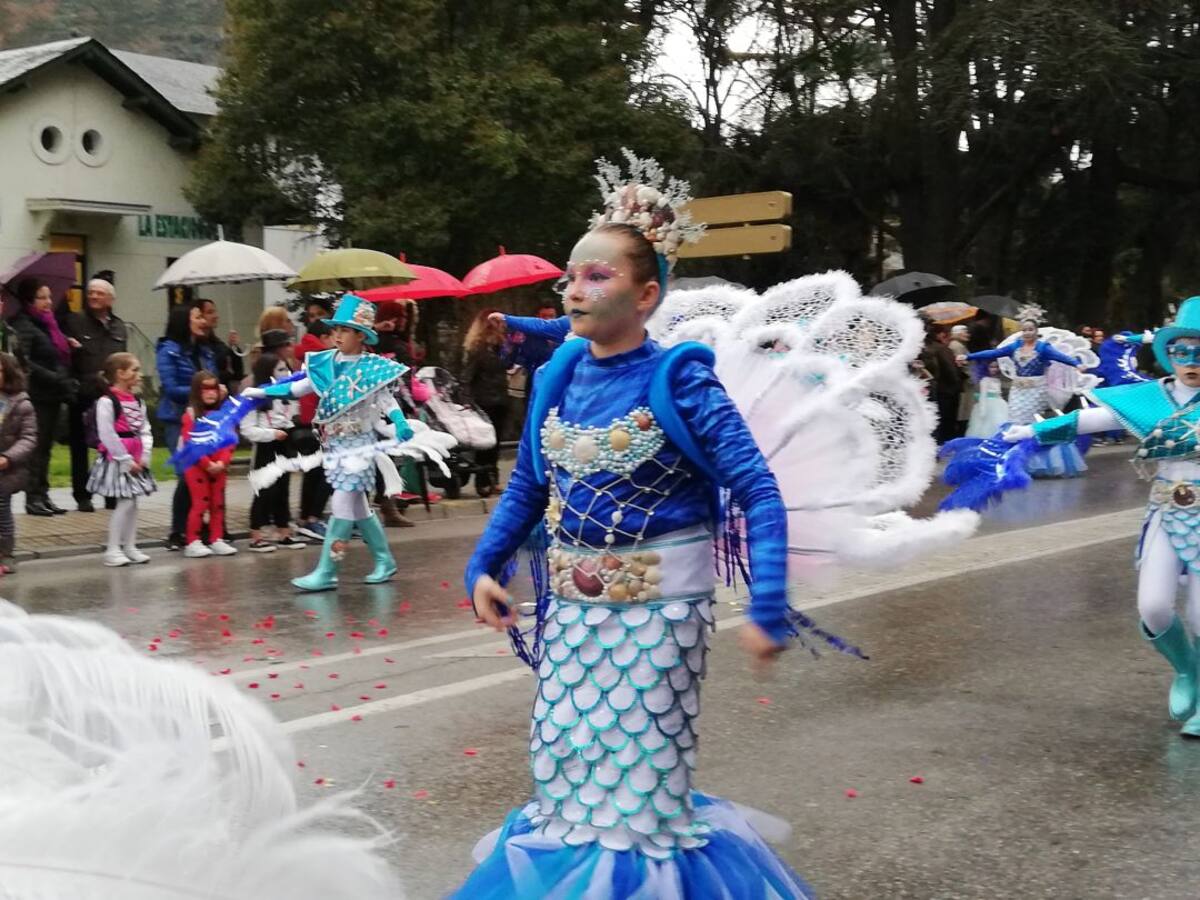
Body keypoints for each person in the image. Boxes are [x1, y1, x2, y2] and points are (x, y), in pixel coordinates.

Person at [454, 154, 815, 898]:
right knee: (567, 776)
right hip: (574, 616)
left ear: (647, 295)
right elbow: (529, 482)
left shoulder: (680, 376)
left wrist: (768, 604)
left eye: (596, 276)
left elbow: (758, 491)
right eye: (569, 277)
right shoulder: (557, 374)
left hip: (660, 616)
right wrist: (484, 565)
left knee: (639, 805)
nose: (574, 289)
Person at [979, 297, 1200, 738]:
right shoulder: (1152, 398)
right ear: (1169, 353)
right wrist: (1026, 431)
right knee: (1154, 608)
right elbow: (1092, 419)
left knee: (1199, 614)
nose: (1190, 361)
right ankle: (1188, 671)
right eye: (1182, 351)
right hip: (1165, 511)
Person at [243, 295, 429, 591]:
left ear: (361, 335)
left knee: (342, 503)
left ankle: (327, 570)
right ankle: (384, 560)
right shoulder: (326, 363)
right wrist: (262, 392)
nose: (337, 335)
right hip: (335, 444)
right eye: (335, 329)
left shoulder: (371, 367)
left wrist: (402, 423)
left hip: (359, 445)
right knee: (358, 510)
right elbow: (298, 388)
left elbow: (384, 398)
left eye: (345, 330)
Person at [966, 310, 1087, 477]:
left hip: (1036, 391)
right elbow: (993, 353)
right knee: (1014, 422)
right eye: (1024, 330)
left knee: (1029, 424)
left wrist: (1076, 363)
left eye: (1030, 329)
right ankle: (1013, 461)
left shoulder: (1044, 348)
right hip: (1017, 391)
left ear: (1036, 331)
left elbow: (1061, 357)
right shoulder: (1015, 346)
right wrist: (969, 356)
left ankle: (1033, 463)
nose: (1027, 333)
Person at [11, 278, 78, 516]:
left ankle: (43, 494)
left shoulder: (48, 324)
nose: (48, 302)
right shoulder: (24, 325)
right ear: (29, 299)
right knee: (36, 448)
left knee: (46, 448)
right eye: (42, 297)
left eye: (49, 297)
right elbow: (23, 361)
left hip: (52, 395)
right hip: (37, 394)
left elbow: (52, 355)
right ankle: (33, 498)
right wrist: (53, 376)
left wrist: (66, 345)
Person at [157, 304, 218, 550]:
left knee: (206, 474)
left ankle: (203, 528)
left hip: (206, 419)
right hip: (178, 418)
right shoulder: (168, 351)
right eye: (197, 317)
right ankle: (178, 530)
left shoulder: (205, 351)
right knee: (187, 474)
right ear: (184, 321)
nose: (203, 321)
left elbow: (212, 379)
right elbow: (170, 387)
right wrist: (202, 392)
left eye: (203, 316)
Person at [64, 278, 127, 513]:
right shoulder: (75, 322)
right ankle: (83, 495)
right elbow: (65, 358)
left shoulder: (119, 326)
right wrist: (72, 386)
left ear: (110, 299)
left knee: (111, 445)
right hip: (83, 393)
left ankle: (111, 493)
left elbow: (124, 360)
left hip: (111, 396)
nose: (93, 297)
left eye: (99, 293)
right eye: (90, 293)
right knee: (79, 447)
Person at [240, 330, 305, 553]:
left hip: (284, 442)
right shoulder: (255, 397)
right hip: (267, 445)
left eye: (286, 369)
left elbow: (293, 414)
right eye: (279, 370)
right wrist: (270, 433)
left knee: (284, 488)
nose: (285, 373)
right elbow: (247, 429)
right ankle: (256, 534)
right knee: (265, 489)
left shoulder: (288, 395)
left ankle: (283, 531)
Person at [88, 352, 155, 568]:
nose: (139, 374)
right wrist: (126, 460)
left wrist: (144, 455)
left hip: (136, 458)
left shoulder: (138, 401)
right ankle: (112, 549)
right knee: (125, 502)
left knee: (133, 502)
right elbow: (107, 434)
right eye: (134, 370)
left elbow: (145, 429)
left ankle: (130, 546)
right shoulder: (107, 402)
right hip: (119, 458)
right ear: (120, 373)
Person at [179, 371, 237, 559]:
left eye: (213, 388)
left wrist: (222, 462)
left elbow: (229, 442)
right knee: (200, 503)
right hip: (196, 466)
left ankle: (216, 538)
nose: (211, 393)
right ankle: (192, 541)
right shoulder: (190, 415)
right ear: (197, 391)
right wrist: (207, 463)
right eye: (205, 389)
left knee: (217, 504)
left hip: (218, 465)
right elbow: (192, 443)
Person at [461, 309, 511, 495]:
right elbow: (467, 376)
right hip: (483, 399)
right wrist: (466, 400)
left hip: (500, 398)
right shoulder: (478, 348)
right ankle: (482, 480)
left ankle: (493, 478)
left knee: (496, 441)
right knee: (485, 442)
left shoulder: (502, 347)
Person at [294, 319, 334, 540]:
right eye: (332, 336)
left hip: (304, 422)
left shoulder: (303, 354)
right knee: (327, 474)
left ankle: (304, 518)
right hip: (320, 422)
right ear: (323, 338)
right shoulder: (323, 358)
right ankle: (313, 519)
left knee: (312, 473)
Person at [0, 353, 38, 572]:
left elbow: (29, 437)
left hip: (6, 469)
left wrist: (8, 457)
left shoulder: (20, 403)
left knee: (2, 509)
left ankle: (6, 553)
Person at [921, 324, 964, 445]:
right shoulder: (941, 349)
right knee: (946, 419)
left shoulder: (922, 347)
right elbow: (950, 369)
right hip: (946, 389)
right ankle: (945, 443)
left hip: (931, 388)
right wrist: (957, 384)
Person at [196, 298, 245, 392]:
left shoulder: (218, 344)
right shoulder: (195, 347)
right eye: (210, 312)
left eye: (215, 312)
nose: (216, 316)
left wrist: (234, 348)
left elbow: (237, 374)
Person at [965, 359, 1010, 437]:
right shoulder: (984, 380)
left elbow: (999, 393)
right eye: (991, 367)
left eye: (996, 367)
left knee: (999, 422)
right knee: (987, 424)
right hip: (988, 405)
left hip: (999, 404)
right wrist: (982, 410)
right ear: (986, 368)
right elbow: (982, 395)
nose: (994, 369)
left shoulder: (997, 380)